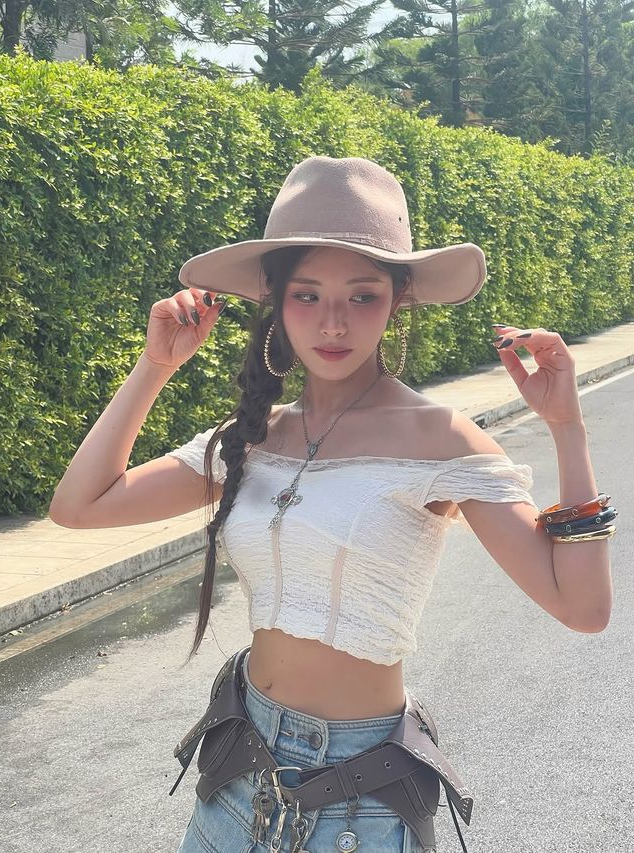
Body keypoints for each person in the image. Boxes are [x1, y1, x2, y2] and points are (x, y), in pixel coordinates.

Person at [49, 156, 615, 853]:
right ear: (277, 301)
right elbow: (80, 505)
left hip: (360, 804)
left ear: (399, 299)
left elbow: (582, 608)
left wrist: (567, 428)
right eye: (308, 295)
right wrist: (155, 366)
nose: (333, 323)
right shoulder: (253, 436)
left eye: (362, 296)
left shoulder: (439, 440)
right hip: (235, 776)